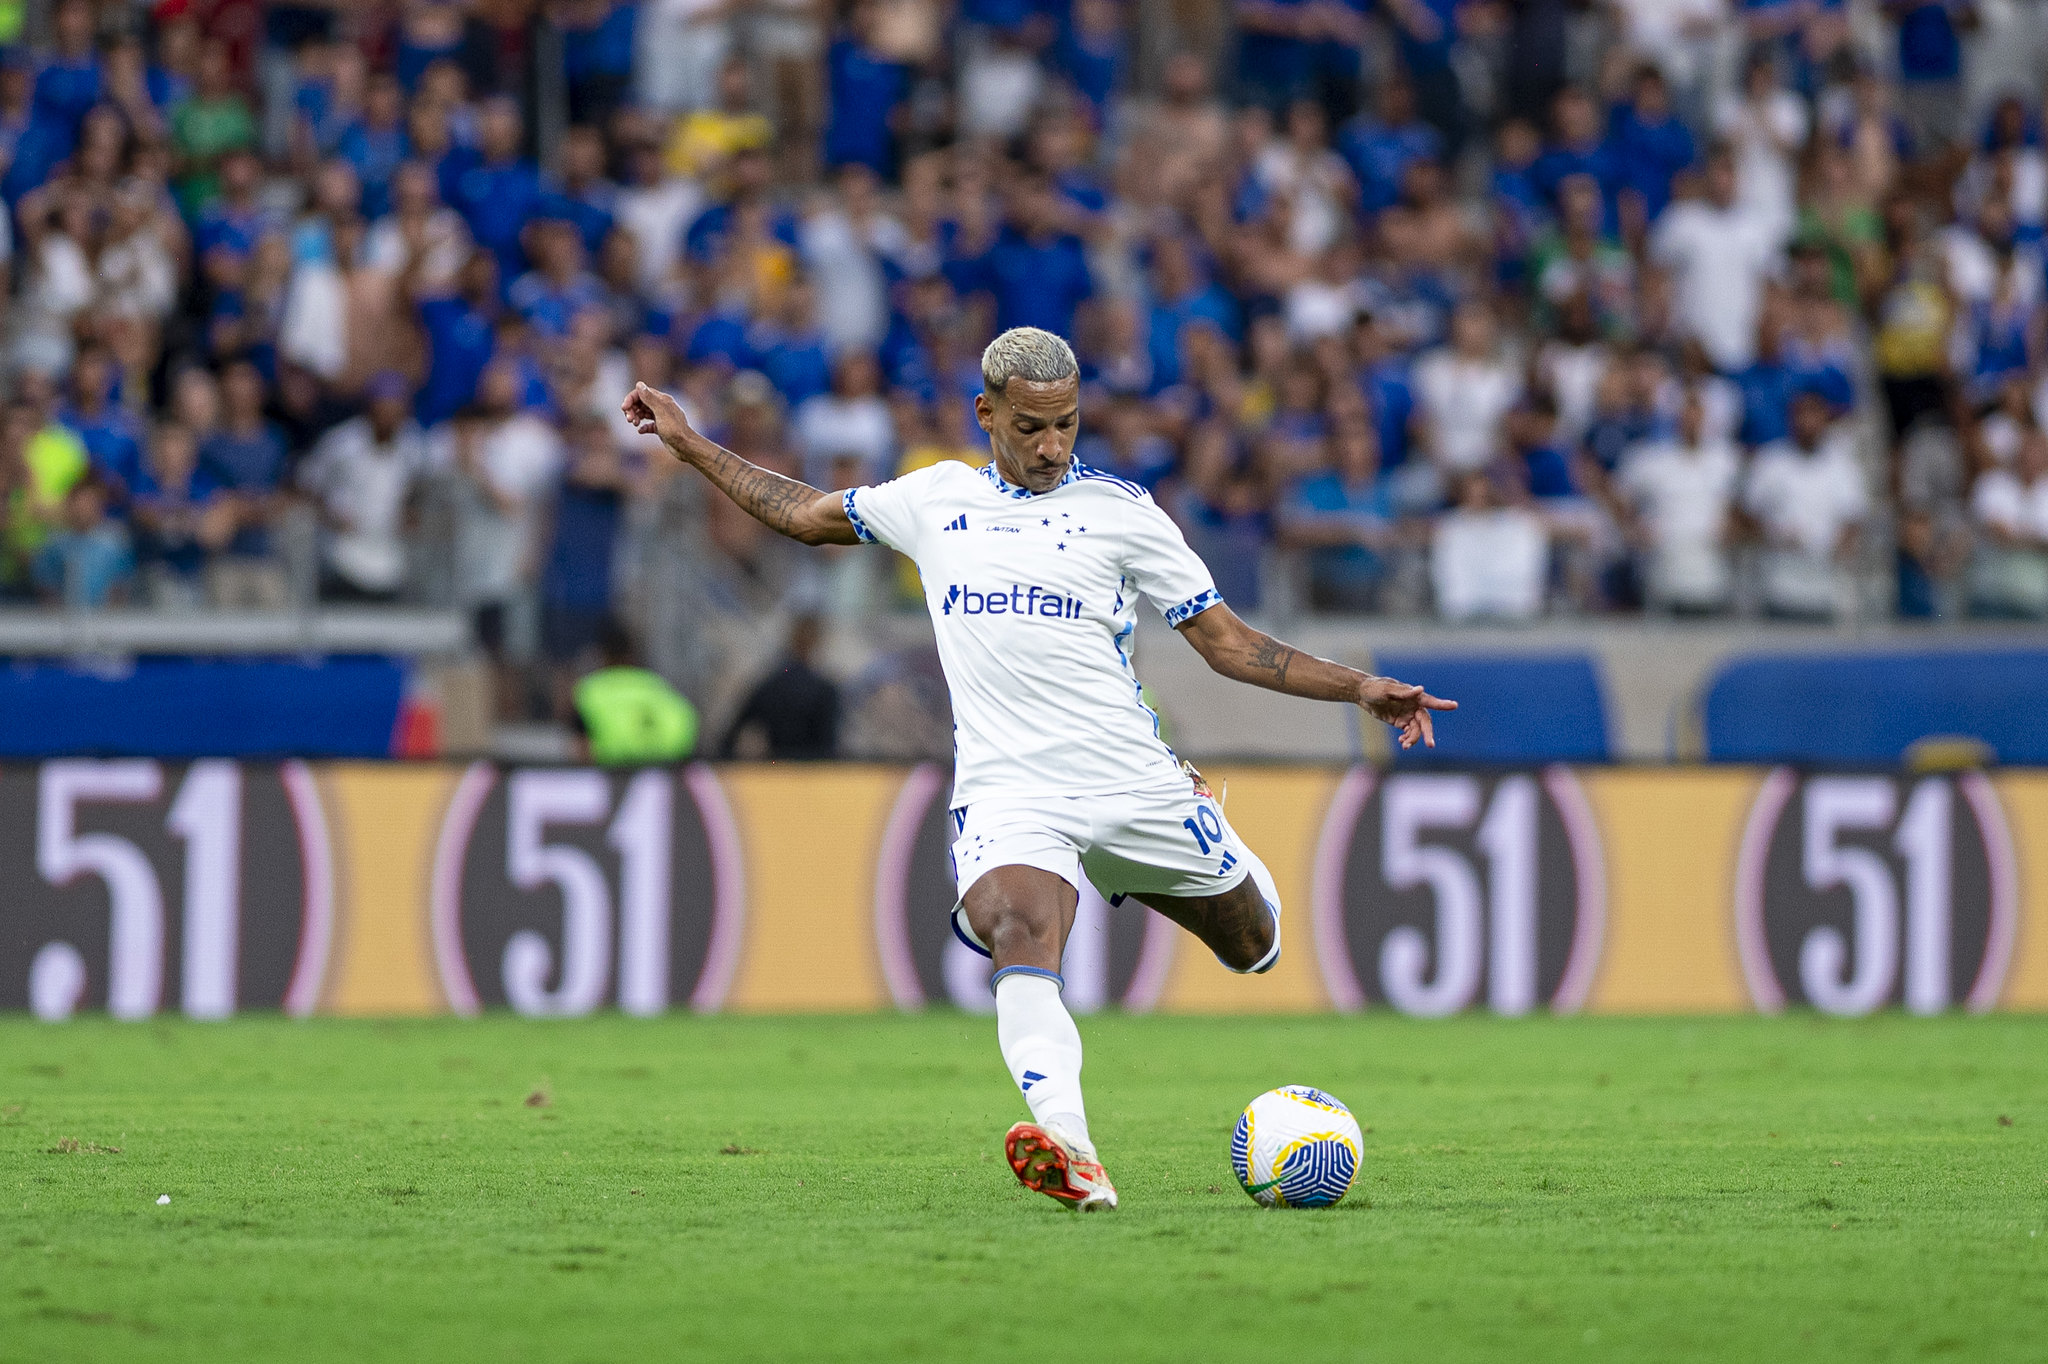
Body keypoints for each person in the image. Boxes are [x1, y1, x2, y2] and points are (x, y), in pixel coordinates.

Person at [622, 327, 1454, 1210]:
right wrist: (688, 440)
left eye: (1067, 425)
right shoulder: (933, 498)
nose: (1053, 445)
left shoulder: (1124, 513)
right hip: (1011, 793)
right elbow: (803, 513)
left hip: (1133, 781)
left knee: (1255, 946)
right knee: (1016, 928)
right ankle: (1073, 1151)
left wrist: (1361, 687)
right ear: (985, 414)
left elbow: (1230, 644)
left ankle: (1185, 846)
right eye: (1031, 427)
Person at [572, 619, 700, 765]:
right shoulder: (657, 685)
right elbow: (687, 723)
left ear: (603, 655)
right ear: (632, 654)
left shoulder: (592, 690)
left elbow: (581, 746)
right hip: (664, 775)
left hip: (613, 774)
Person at [719, 613, 843, 758]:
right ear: (817, 642)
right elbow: (829, 749)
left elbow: (729, 737)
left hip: (775, 771)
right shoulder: (825, 691)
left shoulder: (771, 684)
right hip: (812, 776)